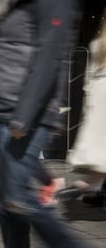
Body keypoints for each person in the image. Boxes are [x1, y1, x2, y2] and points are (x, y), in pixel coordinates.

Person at [0, 0, 86, 247]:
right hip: (8, 114)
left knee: (19, 200)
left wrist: (23, 117)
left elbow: (47, 60)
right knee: (7, 207)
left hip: (25, 118)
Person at [56, 12, 106, 202]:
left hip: (99, 97)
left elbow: (88, 81)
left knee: (101, 160)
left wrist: (89, 108)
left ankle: (82, 187)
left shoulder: (97, 46)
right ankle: (83, 187)